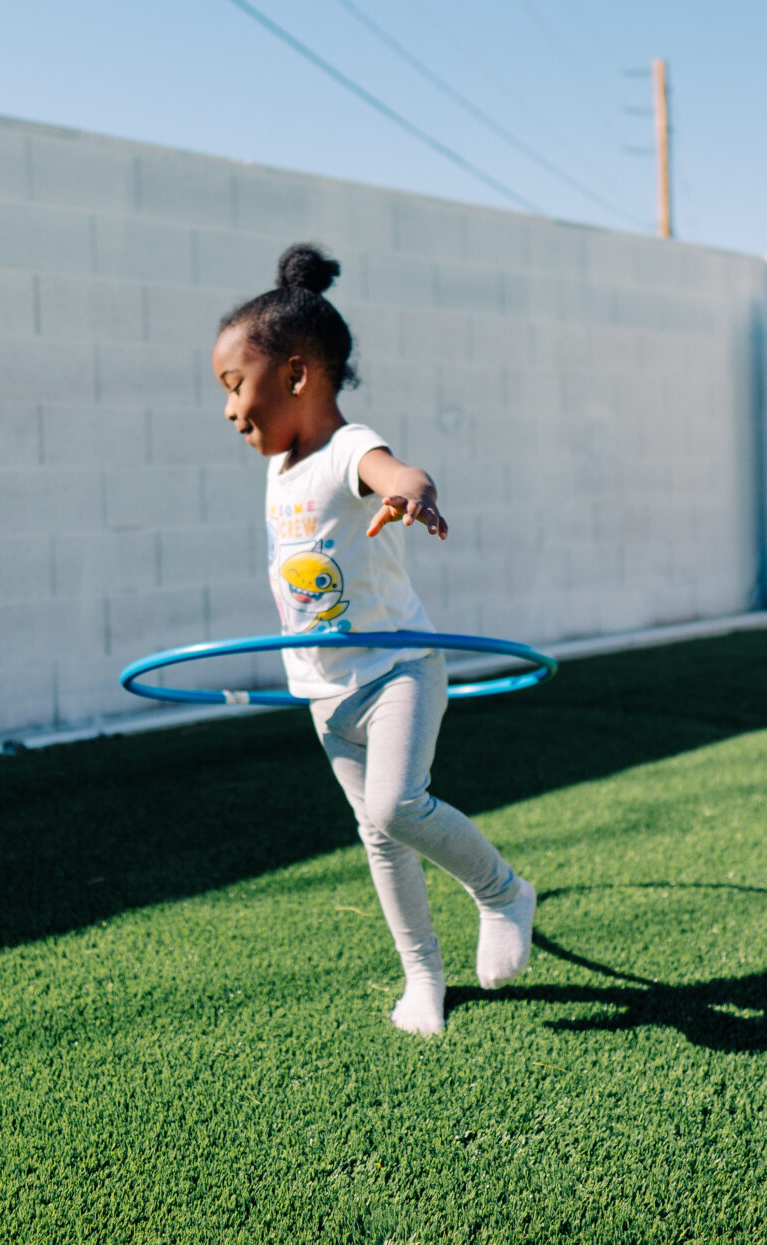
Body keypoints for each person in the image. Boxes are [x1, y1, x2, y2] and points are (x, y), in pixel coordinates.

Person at [212, 241, 536, 1036]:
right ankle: (422, 975)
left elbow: (399, 472)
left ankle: (502, 892)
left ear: (295, 375)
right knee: (377, 834)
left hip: (396, 668)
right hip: (323, 682)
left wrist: (411, 496)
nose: (227, 409)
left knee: (397, 805)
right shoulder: (278, 468)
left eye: (234, 386)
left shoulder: (346, 448)